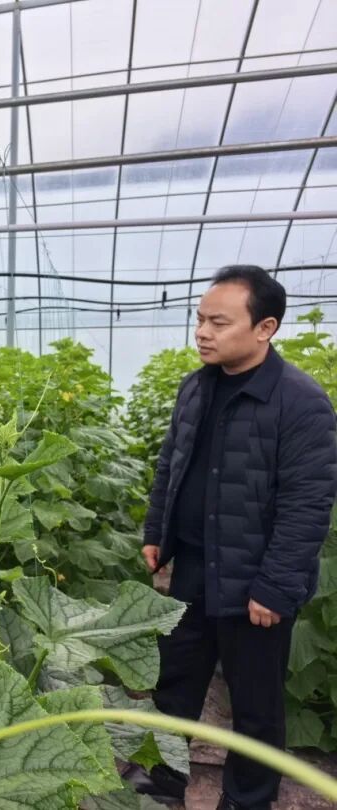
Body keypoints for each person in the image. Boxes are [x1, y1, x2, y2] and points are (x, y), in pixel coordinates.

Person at [130, 266, 336, 809]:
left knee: (255, 703)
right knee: (175, 681)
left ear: (265, 328)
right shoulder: (196, 387)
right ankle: (162, 780)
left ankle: (247, 799)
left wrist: (276, 586)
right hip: (194, 567)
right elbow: (171, 465)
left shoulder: (300, 402)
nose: (203, 332)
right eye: (200, 319)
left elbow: (308, 504)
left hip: (255, 580)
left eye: (219, 323)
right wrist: (157, 530)